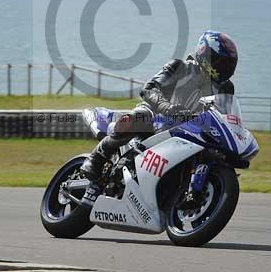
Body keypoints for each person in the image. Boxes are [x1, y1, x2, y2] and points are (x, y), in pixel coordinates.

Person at [80, 30, 239, 183]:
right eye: (221, 62)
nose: (224, 68)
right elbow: (149, 89)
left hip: (192, 128)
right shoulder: (180, 67)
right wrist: (167, 107)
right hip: (157, 116)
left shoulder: (226, 88)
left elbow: (225, 116)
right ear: (206, 53)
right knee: (138, 118)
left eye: (228, 65)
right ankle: (96, 158)